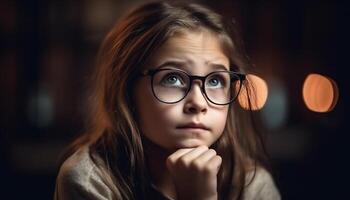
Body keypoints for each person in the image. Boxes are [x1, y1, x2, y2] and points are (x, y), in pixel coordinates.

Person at [54, 1, 281, 199]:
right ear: (127, 89)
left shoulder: (250, 185)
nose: (198, 103)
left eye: (215, 81)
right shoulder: (89, 181)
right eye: (172, 78)